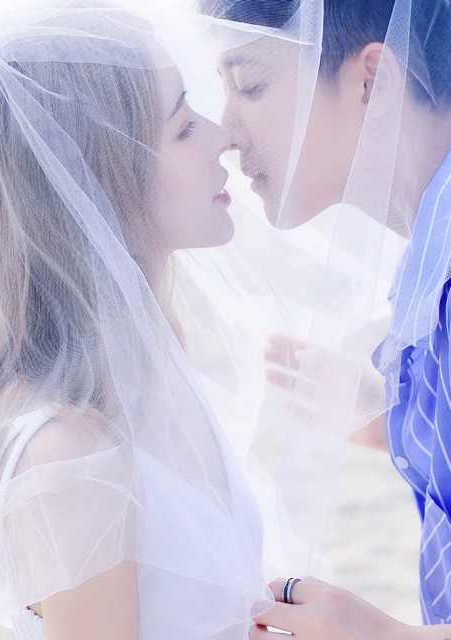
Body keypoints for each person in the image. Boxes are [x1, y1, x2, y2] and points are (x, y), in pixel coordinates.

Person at [0, 1, 337, 637]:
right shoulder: (69, 454)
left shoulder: (146, 368)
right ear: (99, 179)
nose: (221, 136)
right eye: (182, 127)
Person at [199, 0, 451, 636]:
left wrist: (387, 636)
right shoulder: (430, 256)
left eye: (249, 85)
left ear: (372, 81)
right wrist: (397, 419)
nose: (225, 131)